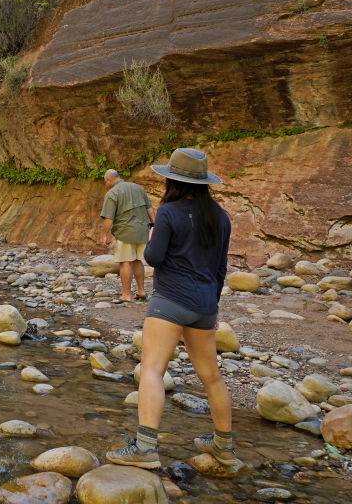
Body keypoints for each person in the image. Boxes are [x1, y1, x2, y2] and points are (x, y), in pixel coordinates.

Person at [106, 148, 240, 471]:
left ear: (173, 180)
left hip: (170, 301)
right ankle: (223, 446)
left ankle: (146, 447)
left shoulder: (168, 212)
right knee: (212, 377)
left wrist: (152, 235)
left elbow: (153, 257)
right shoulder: (221, 218)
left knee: (152, 370)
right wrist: (214, 305)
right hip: (205, 305)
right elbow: (220, 268)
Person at [99, 169, 155, 303]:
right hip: (142, 231)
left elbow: (108, 218)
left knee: (125, 262)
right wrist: (154, 225)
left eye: (105, 182)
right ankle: (141, 292)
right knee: (137, 261)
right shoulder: (138, 188)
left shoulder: (112, 193)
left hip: (125, 232)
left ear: (109, 180)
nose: (106, 185)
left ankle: (126, 294)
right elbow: (150, 209)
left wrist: (103, 235)